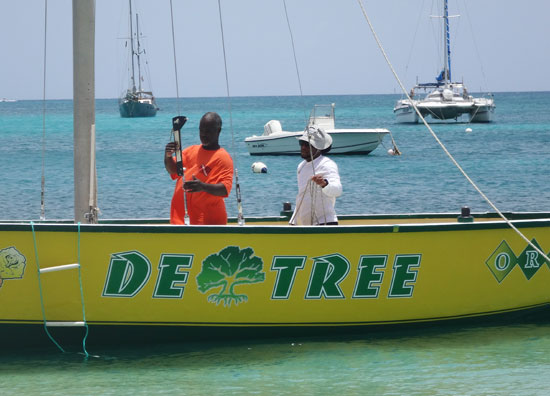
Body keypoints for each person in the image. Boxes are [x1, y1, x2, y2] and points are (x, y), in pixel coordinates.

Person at [164, 112, 233, 225]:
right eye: (201, 130)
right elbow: (172, 170)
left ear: (218, 131)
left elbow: (225, 189)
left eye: (208, 131)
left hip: (208, 224)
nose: (203, 135)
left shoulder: (223, 158)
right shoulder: (191, 150)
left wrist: (203, 187)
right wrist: (168, 155)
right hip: (180, 222)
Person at [289, 126, 342, 226]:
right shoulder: (301, 166)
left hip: (325, 223)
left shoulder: (327, 164)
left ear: (318, 147)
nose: (303, 147)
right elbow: (302, 196)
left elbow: (338, 190)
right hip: (307, 225)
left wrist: (324, 184)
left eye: (307, 144)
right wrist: (293, 221)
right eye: (301, 143)